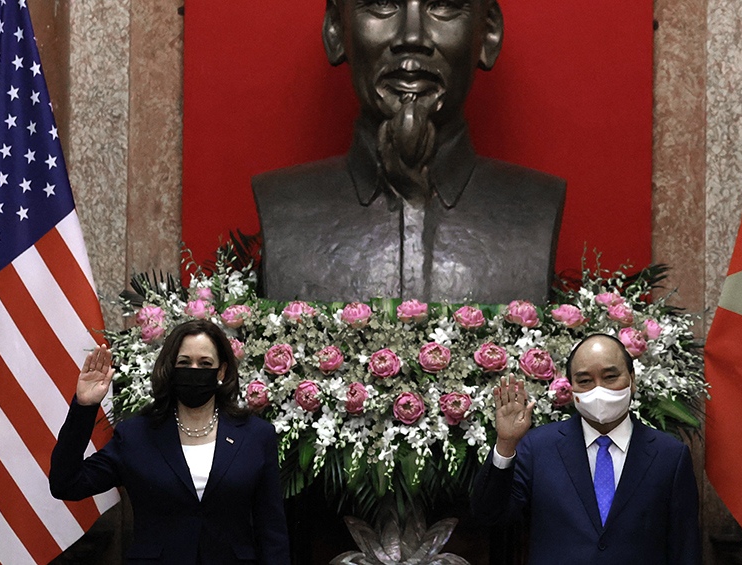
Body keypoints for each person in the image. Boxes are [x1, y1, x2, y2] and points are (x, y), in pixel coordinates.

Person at [252, 0, 566, 304]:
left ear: (488, 32)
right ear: (335, 28)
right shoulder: (284, 206)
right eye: (382, 3)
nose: (412, 37)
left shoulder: (536, 207)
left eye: (444, 4)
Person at [49, 319, 290, 564]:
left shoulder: (255, 436)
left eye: (205, 363)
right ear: (171, 368)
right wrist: (85, 407)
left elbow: (271, 529)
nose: (194, 369)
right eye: (184, 362)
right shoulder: (136, 435)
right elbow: (66, 483)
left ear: (221, 371)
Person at [470, 333, 701, 564]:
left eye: (610, 377)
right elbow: (489, 515)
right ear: (571, 388)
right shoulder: (539, 447)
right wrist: (506, 443)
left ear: (632, 380)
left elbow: (685, 547)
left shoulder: (669, 455)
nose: (598, 390)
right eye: (585, 381)